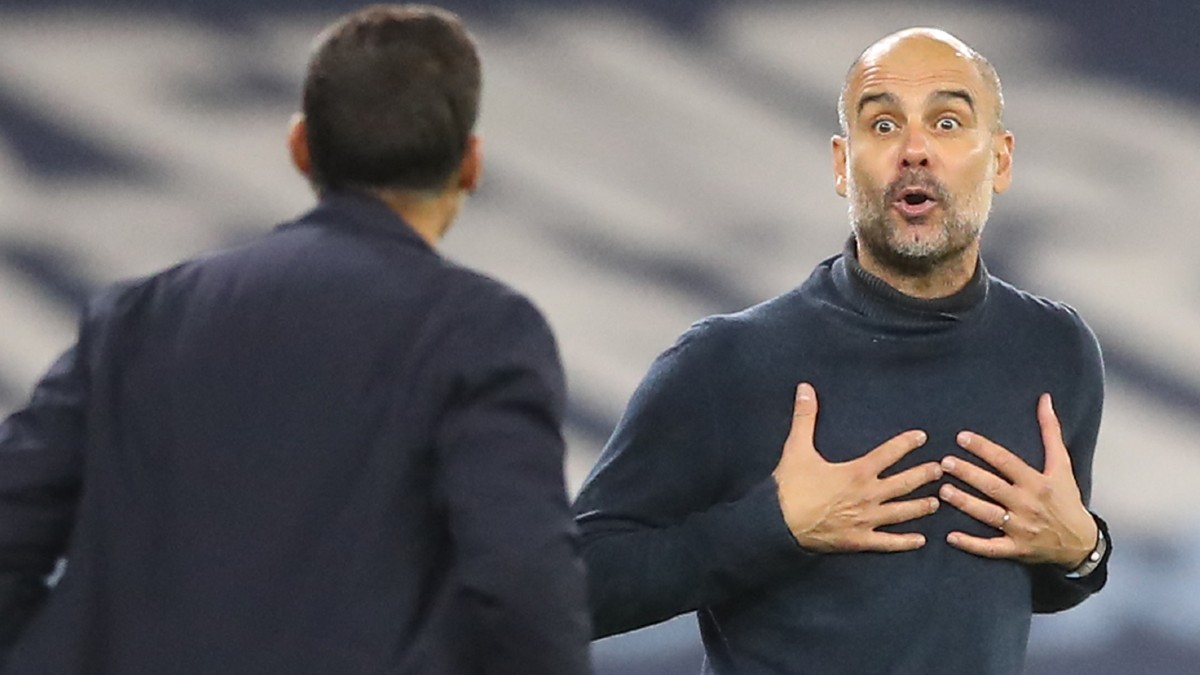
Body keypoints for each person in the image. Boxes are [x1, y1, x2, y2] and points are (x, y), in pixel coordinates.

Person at [0, 5, 592, 674]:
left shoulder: (137, 316)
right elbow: (520, 577)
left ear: (300, 146)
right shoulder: (481, 330)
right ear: (471, 163)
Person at [574, 27, 1110, 675]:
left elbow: (1037, 578)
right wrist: (773, 526)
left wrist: (1085, 549)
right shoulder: (728, 361)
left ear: (999, 159)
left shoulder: (1057, 350)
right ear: (840, 163)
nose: (914, 150)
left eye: (946, 122)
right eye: (882, 125)